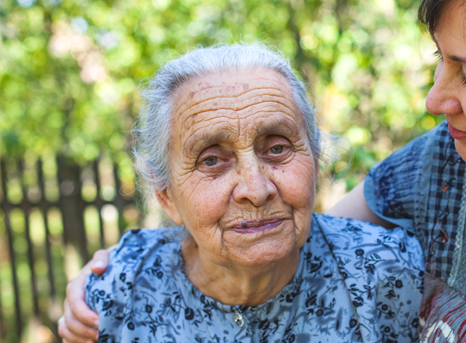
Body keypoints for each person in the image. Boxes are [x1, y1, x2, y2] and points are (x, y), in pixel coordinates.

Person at [62, 0, 466, 341]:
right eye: (441, 59)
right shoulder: (439, 168)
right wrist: (121, 272)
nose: (436, 99)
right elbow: (280, 235)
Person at [57, 43, 424, 343]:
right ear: (167, 196)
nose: (256, 189)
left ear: (315, 161)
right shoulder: (118, 292)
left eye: (277, 149)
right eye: (212, 160)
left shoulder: (387, 272)